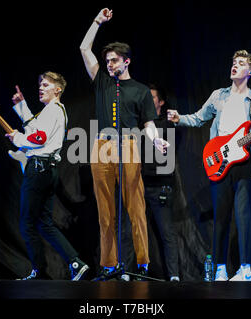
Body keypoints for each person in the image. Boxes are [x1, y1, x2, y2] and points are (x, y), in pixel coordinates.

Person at [168, 50, 251, 281]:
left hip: (245, 164)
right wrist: (179, 118)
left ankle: (245, 269)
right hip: (220, 161)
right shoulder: (218, 96)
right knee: (221, 216)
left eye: (241, 63)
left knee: (244, 216)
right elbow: (198, 117)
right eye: (234, 62)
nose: (235, 65)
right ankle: (219, 268)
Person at [79, 8, 169, 281]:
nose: (109, 64)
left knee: (135, 207)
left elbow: (148, 125)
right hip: (102, 145)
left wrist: (157, 141)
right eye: (107, 60)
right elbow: (84, 47)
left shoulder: (141, 91)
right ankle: (109, 265)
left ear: (127, 62)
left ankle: (142, 264)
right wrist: (97, 21)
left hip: (129, 145)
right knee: (105, 212)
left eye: (115, 60)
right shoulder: (103, 82)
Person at [6, 71, 89, 280]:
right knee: (44, 223)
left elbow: (38, 137)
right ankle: (76, 263)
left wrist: (18, 138)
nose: (40, 88)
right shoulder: (54, 111)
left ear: (57, 89)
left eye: (45, 84)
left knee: (27, 222)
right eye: (40, 85)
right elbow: (36, 128)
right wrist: (22, 107)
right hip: (48, 171)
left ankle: (39, 271)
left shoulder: (52, 111)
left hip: (39, 170)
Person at [143, 84, 180, 281]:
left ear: (161, 102)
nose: (148, 100)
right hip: (140, 184)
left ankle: (173, 275)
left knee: (167, 232)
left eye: (153, 97)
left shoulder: (167, 124)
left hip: (161, 186)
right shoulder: (141, 122)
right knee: (135, 231)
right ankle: (133, 273)